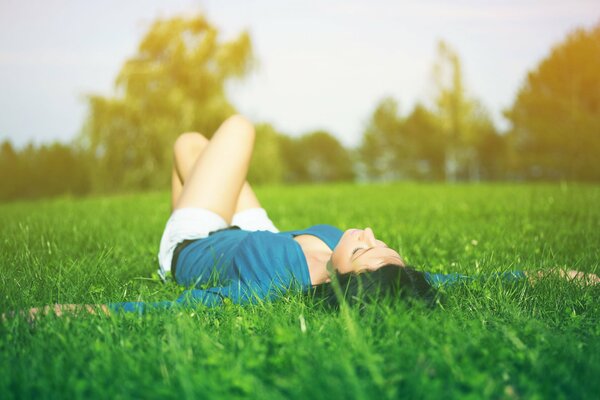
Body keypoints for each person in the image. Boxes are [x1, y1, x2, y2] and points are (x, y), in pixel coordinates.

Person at [17, 115, 600, 319]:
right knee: (191, 145)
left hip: (199, 241)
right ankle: (192, 170)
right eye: (382, 246)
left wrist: (50, 311)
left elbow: (152, 310)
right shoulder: (380, 279)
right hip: (261, 232)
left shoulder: (275, 287)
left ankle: (171, 234)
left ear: (346, 282)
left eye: (366, 250)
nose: (370, 235)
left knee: (233, 131)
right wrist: (568, 277)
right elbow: (464, 283)